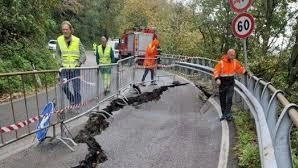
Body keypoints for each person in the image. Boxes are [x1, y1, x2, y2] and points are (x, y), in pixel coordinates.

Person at [213, 49, 250, 121]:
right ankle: (224, 114)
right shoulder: (221, 63)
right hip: (222, 82)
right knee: (222, 99)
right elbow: (216, 71)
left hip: (231, 82)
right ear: (228, 54)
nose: (233, 56)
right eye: (231, 55)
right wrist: (217, 78)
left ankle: (228, 114)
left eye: (234, 55)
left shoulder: (235, 62)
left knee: (229, 98)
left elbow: (240, 69)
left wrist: (247, 73)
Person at [56, 21, 86, 105]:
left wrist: (79, 62)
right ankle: (72, 99)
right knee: (64, 87)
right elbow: (57, 53)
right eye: (63, 29)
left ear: (70, 30)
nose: (65, 31)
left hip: (75, 69)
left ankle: (77, 105)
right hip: (64, 69)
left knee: (76, 89)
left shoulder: (77, 40)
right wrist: (59, 62)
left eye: (66, 29)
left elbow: (83, 53)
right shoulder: (59, 40)